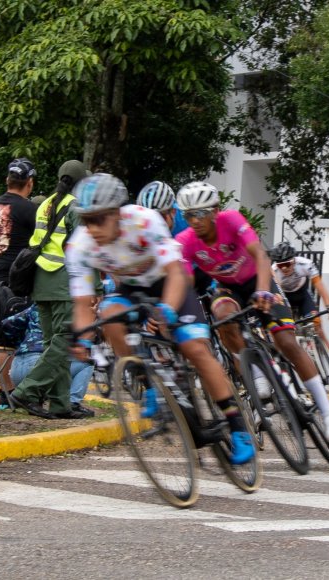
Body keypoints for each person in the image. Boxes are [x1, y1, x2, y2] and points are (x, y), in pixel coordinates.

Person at [66, 173, 255, 464]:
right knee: (108, 314)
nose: (92, 229)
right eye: (86, 220)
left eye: (98, 220)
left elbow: (178, 273)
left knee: (194, 349)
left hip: (169, 281)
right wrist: (81, 338)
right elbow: (81, 304)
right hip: (131, 288)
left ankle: (237, 427)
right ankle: (149, 385)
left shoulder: (144, 220)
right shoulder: (80, 246)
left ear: (117, 213)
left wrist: (167, 310)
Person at [174, 181, 329, 443]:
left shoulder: (231, 220)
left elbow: (261, 256)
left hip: (258, 279)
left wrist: (265, 290)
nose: (195, 221)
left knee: (287, 341)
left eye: (201, 213)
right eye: (188, 215)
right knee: (222, 316)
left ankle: (328, 413)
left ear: (215, 210)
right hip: (227, 288)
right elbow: (185, 284)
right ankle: (255, 374)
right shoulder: (185, 241)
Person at [10, 160, 92, 420]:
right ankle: (26, 391)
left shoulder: (45, 204)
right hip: (62, 283)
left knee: (52, 344)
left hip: (40, 282)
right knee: (65, 340)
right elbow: (81, 249)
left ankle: (60, 404)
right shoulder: (75, 207)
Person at [0, 158, 38, 392]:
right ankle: (15, 390)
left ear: (8, 180)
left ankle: (5, 391)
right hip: (12, 281)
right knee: (18, 334)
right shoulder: (29, 209)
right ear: (30, 183)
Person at [1, 303, 94, 415]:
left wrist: (19, 343)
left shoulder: (37, 307)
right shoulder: (71, 309)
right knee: (86, 364)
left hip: (16, 369)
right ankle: (72, 402)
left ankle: (35, 399)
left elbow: (7, 323)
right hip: (39, 371)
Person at [269, 241, 329, 351]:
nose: (284, 269)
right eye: (280, 265)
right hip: (285, 297)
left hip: (302, 295)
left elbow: (321, 289)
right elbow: (275, 295)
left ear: (294, 261)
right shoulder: (274, 271)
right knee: (285, 330)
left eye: (287, 264)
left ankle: (326, 350)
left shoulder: (305, 264)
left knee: (316, 323)